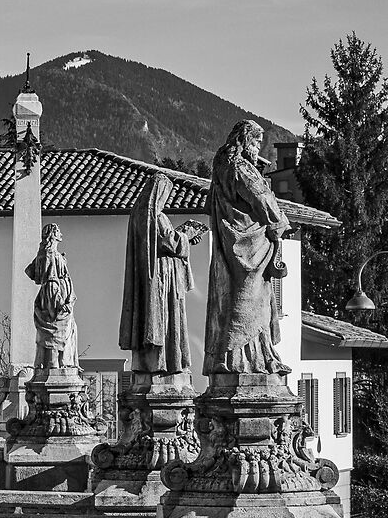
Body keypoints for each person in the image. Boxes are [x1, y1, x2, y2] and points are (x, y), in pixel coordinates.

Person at [203, 120, 288, 374]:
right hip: (250, 244)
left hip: (232, 239)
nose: (258, 147)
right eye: (256, 141)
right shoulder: (241, 167)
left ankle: (247, 357)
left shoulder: (221, 168)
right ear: (244, 140)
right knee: (252, 298)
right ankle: (245, 359)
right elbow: (261, 197)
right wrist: (279, 224)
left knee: (237, 298)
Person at [118, 173, 199, 376]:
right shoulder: (157, 216)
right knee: (166, 321)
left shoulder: (138, 217)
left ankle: (147, 363)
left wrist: (182, 240)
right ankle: (165, 363)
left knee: (149, 319)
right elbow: (169, 242)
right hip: (162, 278)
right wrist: (187, 235)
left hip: (147, 278)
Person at [26, 222, 76, 372]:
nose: (61, 234)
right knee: (55, 330)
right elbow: (46, 280)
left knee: (63, 330)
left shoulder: (49, 254)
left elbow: (31, 271)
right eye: (58, 231)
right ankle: (54, 363)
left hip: (57, 294)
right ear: (53, 234)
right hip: (53, 297)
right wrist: (60, 302)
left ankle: (59, 362)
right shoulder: (49, 255)